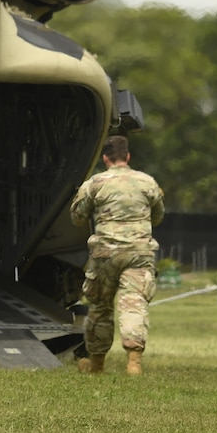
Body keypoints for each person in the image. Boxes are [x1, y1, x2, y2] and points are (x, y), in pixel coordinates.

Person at [69, 135, 165, 376]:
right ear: (128, 157)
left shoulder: (96, 183)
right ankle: (134, 364)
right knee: (134, 304)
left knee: (100, 306)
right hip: (139, 253)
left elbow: (77, 217)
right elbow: (158, 217)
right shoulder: (147, 182)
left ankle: (96, 366)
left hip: (105, 254)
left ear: (105, 158)